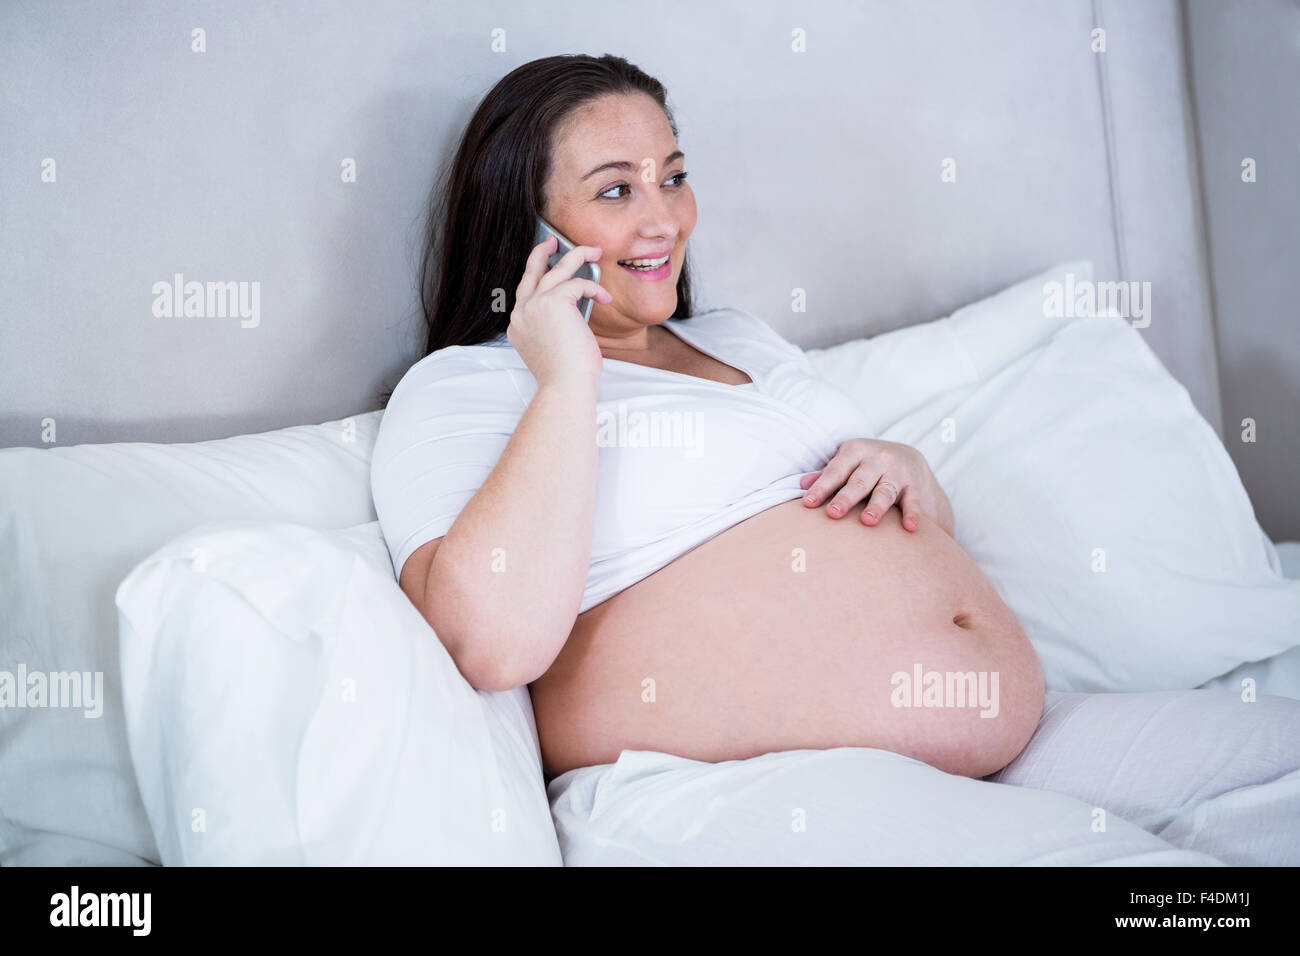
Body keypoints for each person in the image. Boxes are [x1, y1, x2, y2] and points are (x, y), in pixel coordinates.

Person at [371, 56, 1300, 867]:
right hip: (759, 778)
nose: (663, 221)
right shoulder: (462, 391)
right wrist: (567, 382)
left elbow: (875, 529)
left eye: (674, 177)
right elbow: (490, 643)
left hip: (1006, 725)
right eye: (616, 190)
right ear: (530, 231)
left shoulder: (740, 336)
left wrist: (908, 475)